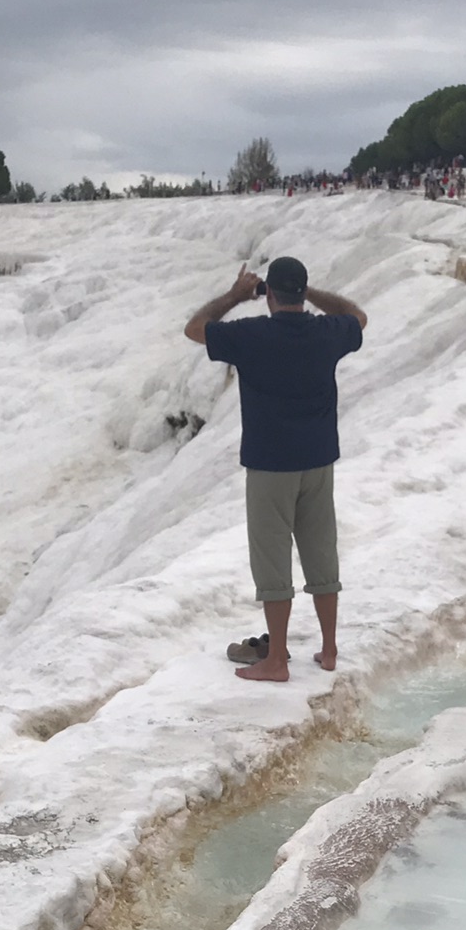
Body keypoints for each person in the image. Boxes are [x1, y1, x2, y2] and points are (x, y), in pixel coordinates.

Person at [185, 257, 366, 681]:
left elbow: (195, 329)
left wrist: (234, 295)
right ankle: (329, 649)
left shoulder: (251, 335)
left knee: (273, 564)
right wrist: (313, 291)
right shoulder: (325, 332)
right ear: (301, 294)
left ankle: (277, 659)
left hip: (269, 466)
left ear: (268, 295)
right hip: (319, 462)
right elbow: (357, 316)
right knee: (321, 554)